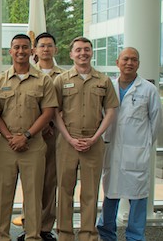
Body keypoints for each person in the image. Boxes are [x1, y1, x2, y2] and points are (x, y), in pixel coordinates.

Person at [0, 34, 57, 241]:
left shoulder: (43, 80)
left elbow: (48, 112)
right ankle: (1, 236)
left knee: (33, 194)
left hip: (34, 146)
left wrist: (27, 136)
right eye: (16, 47)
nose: (20, 51)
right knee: (3, 195)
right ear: (10, 51)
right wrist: (11, 137)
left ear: (32, 52)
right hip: (6, 145)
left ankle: (33, 236)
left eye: (25, 48)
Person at [53, 36, 118, 241]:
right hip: (67, 142)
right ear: (71, 54)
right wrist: (69, 138)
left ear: (91, 52)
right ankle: (64, 233)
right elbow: (54, 113)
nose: (83, 53)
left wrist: (95, 137)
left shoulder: (103, 80)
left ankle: (88, 234)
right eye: (78, 50)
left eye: (87, 49)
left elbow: (110, 111)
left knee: (90, 191)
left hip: (94, 142)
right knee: (64, 189)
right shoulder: (61, 80)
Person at [97, 47, 163, 241]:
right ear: (117, 62)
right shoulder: (108, 86)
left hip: (136, 152)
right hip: (112, 149)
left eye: (134, 60)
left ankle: (135, 236)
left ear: (138, 64)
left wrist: (142, 145)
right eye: (125, 59)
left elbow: (156, 122)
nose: (129, 63)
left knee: (138, 198)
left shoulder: (148, 90)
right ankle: (107, 234)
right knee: (110, 194)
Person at [16, 32, 64, 241]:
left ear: (55, 49)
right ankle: (30, 225)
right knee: (31, 182)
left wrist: (50, 124)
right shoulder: (28, 73)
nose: (45, 49)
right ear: (34, 50)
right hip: (31, 136)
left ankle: (45, 227)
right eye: (41, 46)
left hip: (53, 135)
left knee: (49, 182)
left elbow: (64, 106)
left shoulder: (62, 76)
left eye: (49, 45)